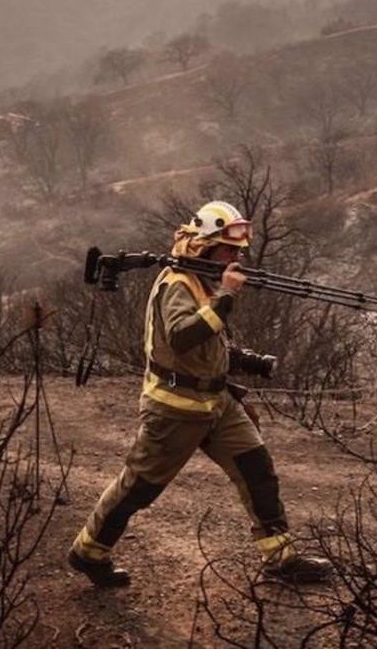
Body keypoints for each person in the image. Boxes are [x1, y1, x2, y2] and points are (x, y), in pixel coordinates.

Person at [68, 200, 332, 587]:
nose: (236, 258)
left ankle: (281, 559)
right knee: (138, 488)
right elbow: (182, 337)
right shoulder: (178, 283)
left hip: (218, 402)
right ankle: (88, 553)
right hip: (175, 409)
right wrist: (226, 297)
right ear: (205, 246)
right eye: (229, 249)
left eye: (240, 251)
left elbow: (210, 344)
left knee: (257, 470)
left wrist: (248, 361)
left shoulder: (203, 279)